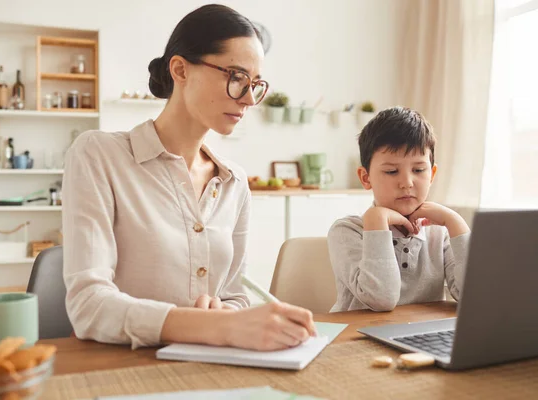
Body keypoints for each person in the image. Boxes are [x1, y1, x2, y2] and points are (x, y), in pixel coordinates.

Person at [62, 4, 316, 350]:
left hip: (208, 366)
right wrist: (212, 326)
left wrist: (222, 312)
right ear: (180, 70)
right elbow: (88, 306)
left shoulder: (234, 183)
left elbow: (232, 296)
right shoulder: (98, 155)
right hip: (122, 370)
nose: (249, 99)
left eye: (256, 84)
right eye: (237, 78)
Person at [327, 107, 471, 312]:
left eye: (419, 170)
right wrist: (376, 221)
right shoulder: (347, 231)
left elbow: (474, 296)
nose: (407, 182)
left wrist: (455, 222)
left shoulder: (440, 233)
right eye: (391, 171)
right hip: (357, 339)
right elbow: (381, 299)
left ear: (432, 174)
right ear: (366, 178)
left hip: (419, 339)